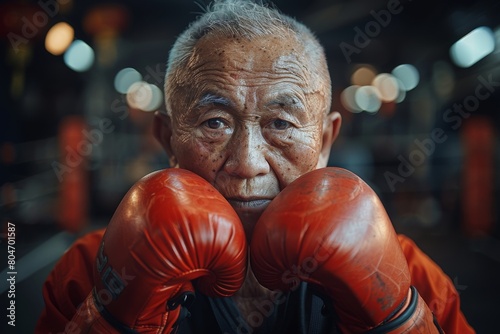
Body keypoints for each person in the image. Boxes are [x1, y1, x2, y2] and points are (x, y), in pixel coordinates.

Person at [36, 0, 475, 333]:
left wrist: (399, 320)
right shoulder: (94, 270)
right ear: (168, 138)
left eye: (281, 124)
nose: (247, 164)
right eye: (214, 122)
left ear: (324, 141)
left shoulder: (409, 275)